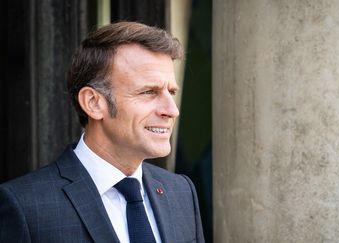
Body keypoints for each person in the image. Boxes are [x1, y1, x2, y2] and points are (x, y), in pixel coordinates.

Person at [0, 22, 204, 243]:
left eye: (171, 92)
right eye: (148, 92)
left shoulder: (181, 192)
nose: (172, 110)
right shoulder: (25, 206)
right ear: (93, 103)